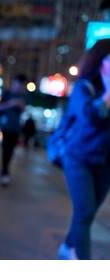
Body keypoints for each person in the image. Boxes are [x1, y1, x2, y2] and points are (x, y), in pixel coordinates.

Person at [57, 39, 110, 260]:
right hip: (79, 158)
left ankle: (67, 247)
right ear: (102, 61)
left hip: (105, 162)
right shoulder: (84, 87)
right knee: (84, 212)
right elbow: (90, 116)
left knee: (87, 215)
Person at [0, 74, 27, 186]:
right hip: (6, 126)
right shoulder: (7, 94)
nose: (20, 87)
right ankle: (4, 172)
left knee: (11, 150)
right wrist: (12, 103)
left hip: (16, 128)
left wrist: (21, 105)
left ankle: (5, 171)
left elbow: (24, 111)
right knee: (5, 149)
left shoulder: (23, 96)